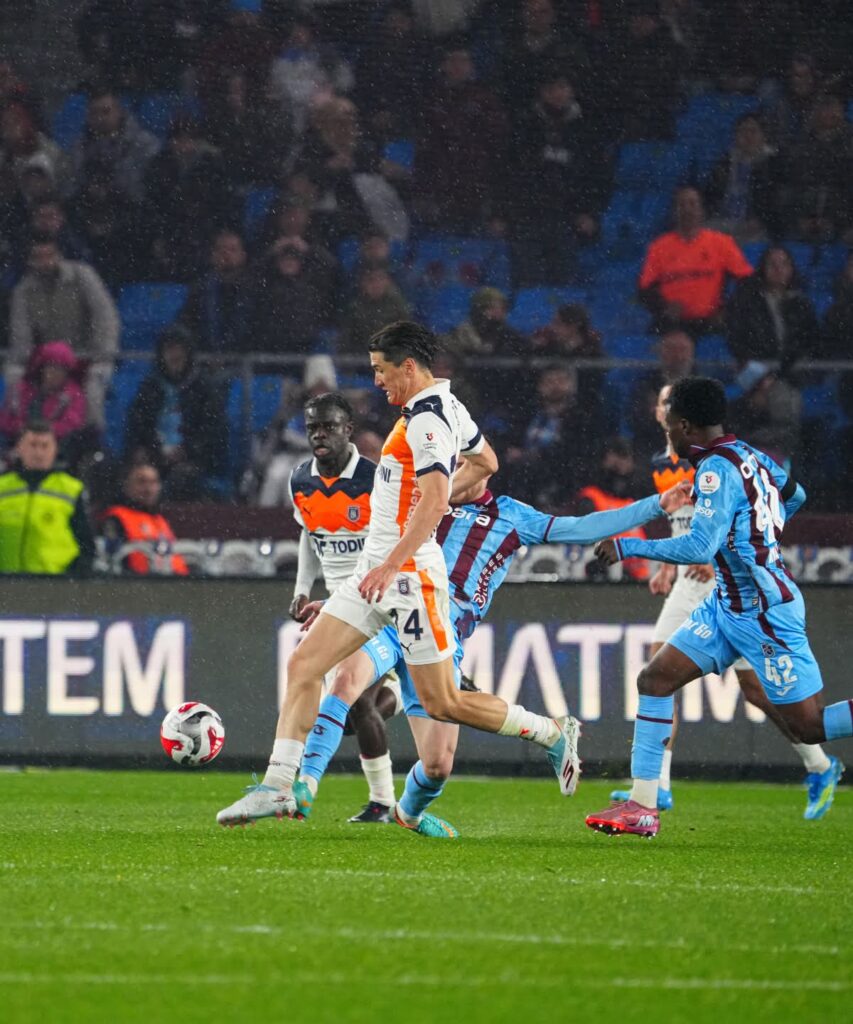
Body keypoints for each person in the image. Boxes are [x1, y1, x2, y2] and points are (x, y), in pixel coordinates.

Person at [215, 320, 583, 831]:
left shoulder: (428, 420)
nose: (376, 381)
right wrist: (396, 544)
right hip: (373, 573)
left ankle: (551, 732)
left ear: (408, 367)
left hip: (408, 579)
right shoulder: (445, 406)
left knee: (443, 702)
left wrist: (396, 557)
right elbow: (486, 461)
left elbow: (435, 498)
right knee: (304, 665)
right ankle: (278, 786)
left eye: (381, 370)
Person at [287, 471, 693, 829]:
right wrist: (343, 604)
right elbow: (378, 555)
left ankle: (407, 815)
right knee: (347, 681)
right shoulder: (425, 500)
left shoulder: (512, 516)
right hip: (396, 612)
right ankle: (303, 786)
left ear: (484, 471)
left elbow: (586, 527)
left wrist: (657, 505)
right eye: (454, 464)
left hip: (442, 636)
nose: (456, 472)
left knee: (437, 766)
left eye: (466, 464)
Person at [588, 376, 849, 838]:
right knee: (655, 679)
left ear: (686, 426)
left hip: (765, 613)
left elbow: (698, 547)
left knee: (809, 726)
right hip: (726, 605)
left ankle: (818, 765)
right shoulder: (753, 455)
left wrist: (628, 547)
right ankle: (642, 806)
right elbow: (796, 496)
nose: (668, 433)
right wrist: (760, 535)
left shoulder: (713, 470)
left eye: (670, 425)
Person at [286, 391, 400, 821]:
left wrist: (337, 598)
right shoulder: (300, 480)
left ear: (348, 430)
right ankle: (402, 692)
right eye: (313, 427)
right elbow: (309, 533)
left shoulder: (375, 479)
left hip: (377, 603)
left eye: (329, 426)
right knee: (351, 715)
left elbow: (389, 546)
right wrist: (302, 588)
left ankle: (382, 802)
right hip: (337, 608)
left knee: (355, 703)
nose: (320, 434)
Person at [7, 236, 119, 429]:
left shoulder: (83, 276)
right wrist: (22, 366)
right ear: (30, 261)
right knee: (14, 378)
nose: (45, 262)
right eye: (38, 257)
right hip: (49, 362)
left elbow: (105, 318)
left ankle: (91, 438)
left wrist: (102, 356)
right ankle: (25, 435)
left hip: (86, 357)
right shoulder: (23, 291)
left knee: (94, 390)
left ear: (60, 255)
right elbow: (21, 335)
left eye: (49, 255)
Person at [124, 326, 228, 501]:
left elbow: (213, 431)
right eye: (170, 350)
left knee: (182, 479)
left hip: (192, 460)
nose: (174, 356)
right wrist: (145, 449)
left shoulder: (204, 389)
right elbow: (137, 424)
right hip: (155, 455)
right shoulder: (150, 388)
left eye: (179, 350)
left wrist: (188, 450)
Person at [638, 186, 753, 337]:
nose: (687, 209)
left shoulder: (721, 243)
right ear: (674, 212)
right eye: (682, 204)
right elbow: (645, 290)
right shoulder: (659, 247)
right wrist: (664, 307)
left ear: (701, 210)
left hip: (710, 323)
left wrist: (727, 310)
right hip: (672, 324)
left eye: (692, 203)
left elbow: (748, 282)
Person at [0, 419, 94, 574]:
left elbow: (86, 544)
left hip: (53, 582)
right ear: (19, 448)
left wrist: (73, 577)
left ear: (55, 449)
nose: (39, 453)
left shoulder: (70, 489)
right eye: (33, 445)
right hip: (6, 580)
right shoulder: (2, 487)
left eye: (45, 446)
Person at [726, 246, 819, 373]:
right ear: (763, 268)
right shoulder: (747, 303)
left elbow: (809, 342)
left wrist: (788, 366)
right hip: (756, 372)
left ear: (791, 269)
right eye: (772, 264)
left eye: (784, 264)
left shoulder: (801, 304)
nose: (778, 269)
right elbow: (739, 342)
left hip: (793, 373)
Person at [63, 85, 160, 202]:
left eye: (106, 112)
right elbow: (70, 186)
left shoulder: (144, 144)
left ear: (119, 111)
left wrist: (113, 188)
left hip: (132, 207)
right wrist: (87, 189)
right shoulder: (78, 147)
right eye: (94, 113)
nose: (100, 118)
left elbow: (144, 186)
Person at [100, 460, 188, 576]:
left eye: (153, 482)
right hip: (136, 583)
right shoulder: (117, 517)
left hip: (173, 582)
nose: (148, 489)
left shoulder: (159, 519)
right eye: (141, 482)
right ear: (127, 486)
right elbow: (112, 560)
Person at [0, 340, 87, 453]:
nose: (56, 373)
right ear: (42, 368)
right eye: (52, 367)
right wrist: (20, 428)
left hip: (56, 448)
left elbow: (73, 423)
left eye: (61, 369)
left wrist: (46, 430)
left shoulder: (73, 395)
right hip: (16, 445)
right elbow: (5, 418)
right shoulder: (20, 390)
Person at [177, 230, 254, 355]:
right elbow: (186, 322)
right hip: (206, 359)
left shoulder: (256, 289)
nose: (226, 254)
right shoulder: (200, 289)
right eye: (220, 249)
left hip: (247, 360)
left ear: (243, 256)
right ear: (212, 255)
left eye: (232, 249)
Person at [338, 267, 411, 354]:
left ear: (388, 281)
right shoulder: (355, 307)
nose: (376, 284)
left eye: (380, 279)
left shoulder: (398, 305)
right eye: (371, 280)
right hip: (361, 355)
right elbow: (346, 338)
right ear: (363, 283)